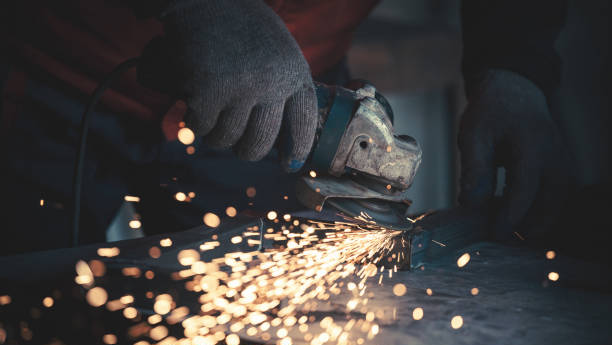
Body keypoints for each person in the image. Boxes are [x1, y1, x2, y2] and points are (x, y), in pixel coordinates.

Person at [0, 0, 568, 255]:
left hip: (278, 104)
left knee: (247, 320)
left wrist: (513, 65)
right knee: (27, 313)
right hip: (60, 74)